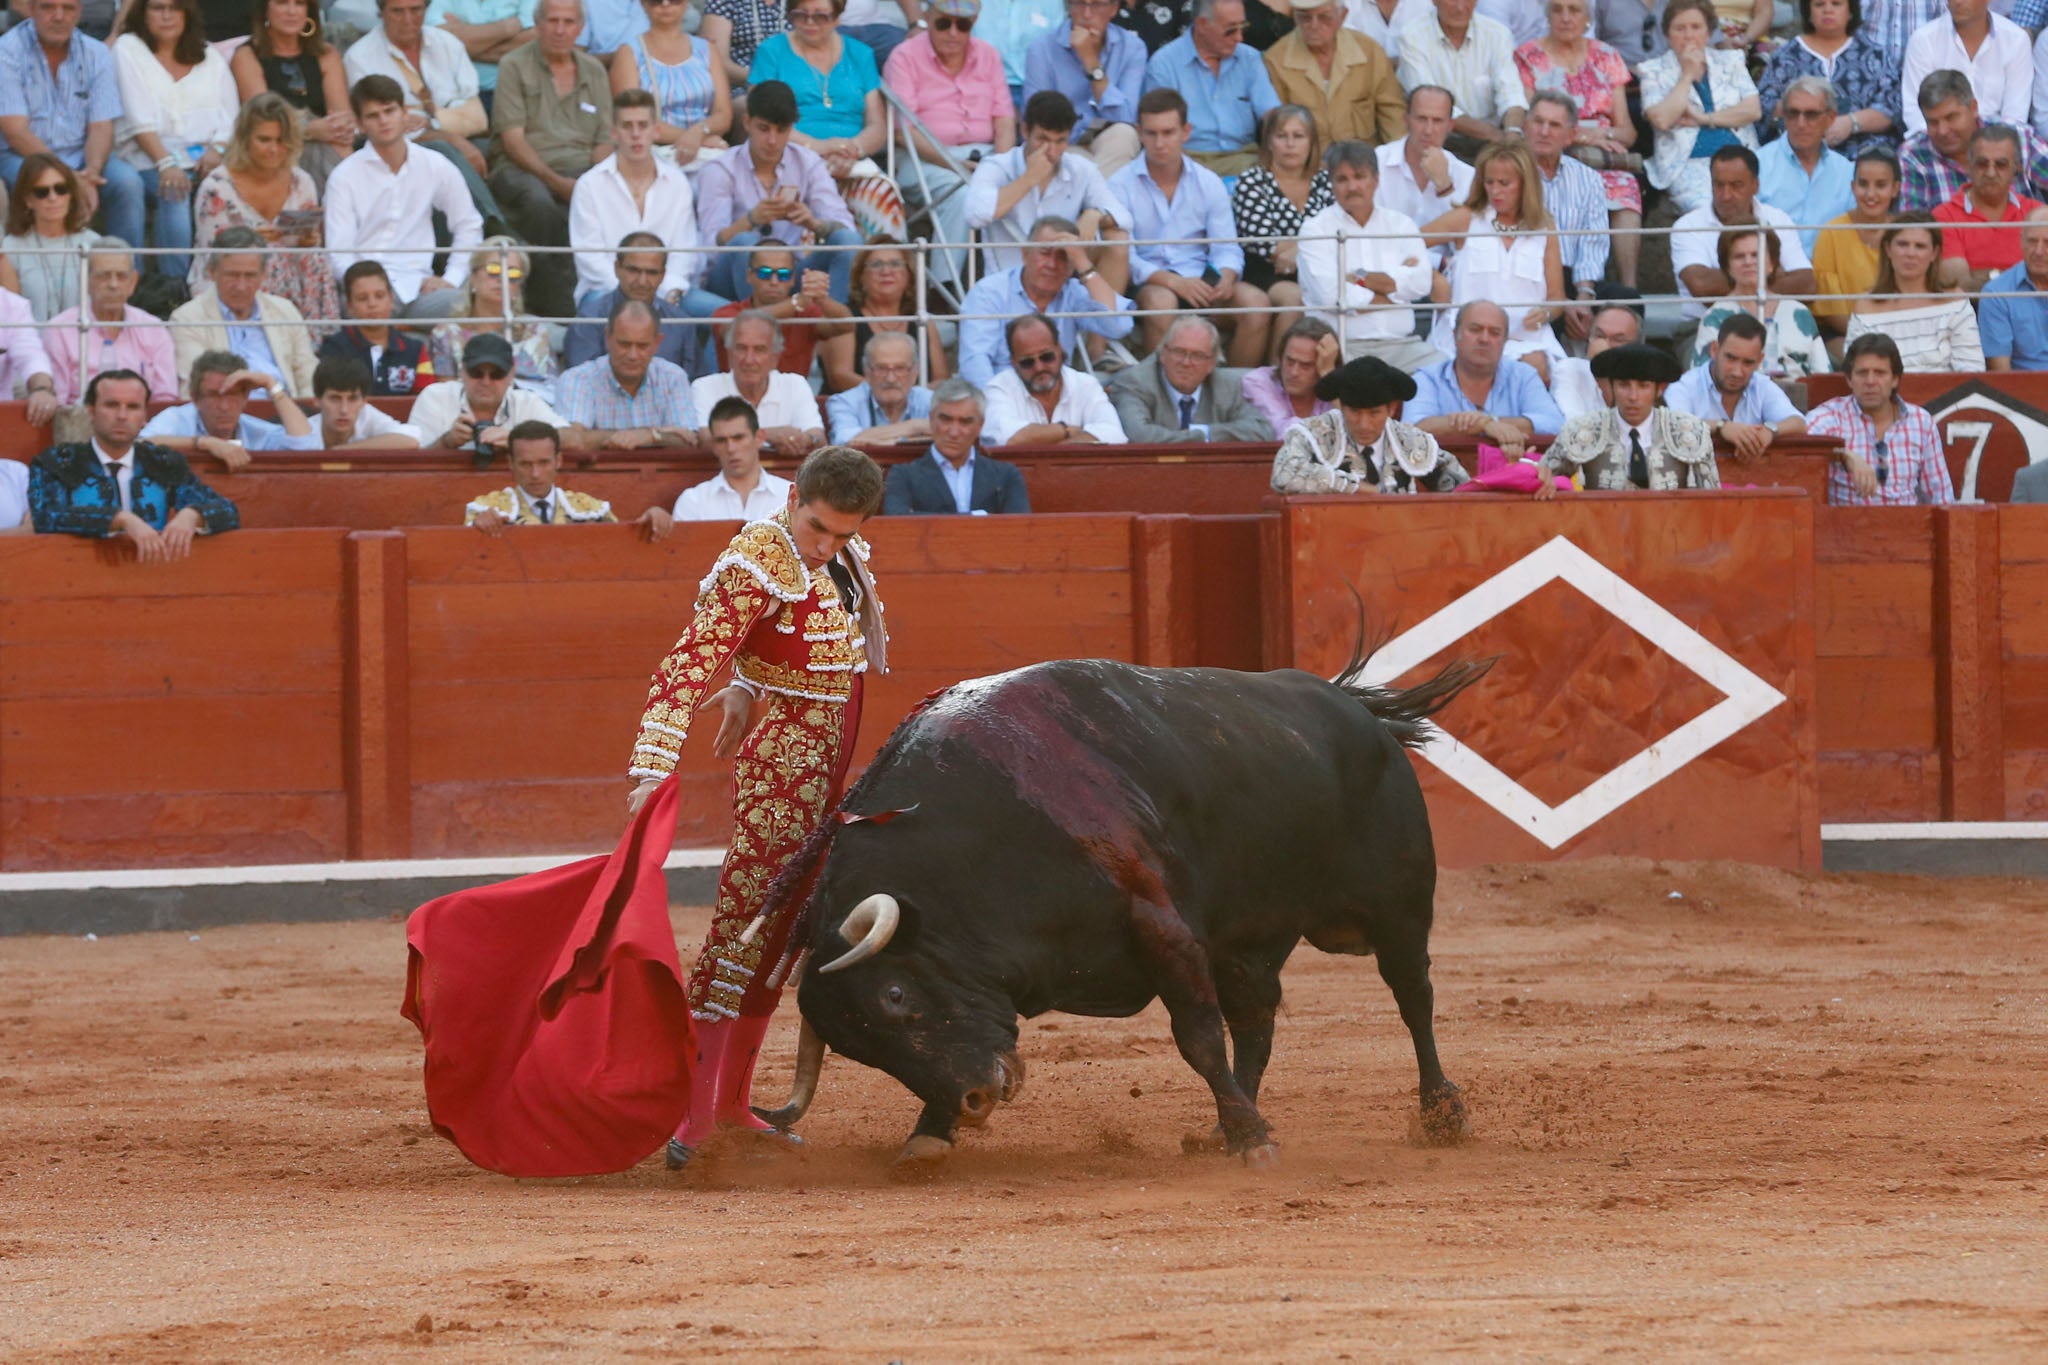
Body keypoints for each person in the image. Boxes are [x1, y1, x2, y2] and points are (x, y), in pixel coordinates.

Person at [624, 443, 888, 1168]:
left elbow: (791, 647)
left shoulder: (834, 551)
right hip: (780, 775)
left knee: (779, 939)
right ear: (793, 494)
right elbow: (683, 663)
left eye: (843, 533)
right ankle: (693, 1114)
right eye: (818, 528)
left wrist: (747, 682)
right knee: (743, 932)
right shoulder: (759, 558)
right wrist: (652, 766)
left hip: (825, 772)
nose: (826, 545)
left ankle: (733, 1103)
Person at [1113, 87, 1271, 364]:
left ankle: (1232, 394)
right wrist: (1172, 281)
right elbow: (1124, 257)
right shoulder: (1119, 184)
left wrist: (1226, 276)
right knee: (1161, 302)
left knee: (1257, 305)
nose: (1160, 142)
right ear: (1139, 133)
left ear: (1186, 131)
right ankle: (1159, 395)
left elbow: (1227, 247)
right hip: (1149, 283)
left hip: (1201, 279)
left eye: (1168, 132)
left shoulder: (1208, 181)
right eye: (1151, 133)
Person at [487, 0, 613, 320]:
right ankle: (553, 303)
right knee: (539, 202)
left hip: (581, 167)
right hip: (522, 166)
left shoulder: (594, 70)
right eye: (552, 21)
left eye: (568, 22)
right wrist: (557, 182)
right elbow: (513, 141)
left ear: (580, 28)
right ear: (537, 24)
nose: (560, 30)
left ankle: (598, 296)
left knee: (611, 195)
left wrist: (591, 181)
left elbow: (604, 139)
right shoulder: (514, 64)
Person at [326, 74, 487, 319]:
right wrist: (367, 290)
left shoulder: (434, 164)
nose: (383, 121)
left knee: (470, 305)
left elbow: (469, 224)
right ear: (359, 124)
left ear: (404, 113)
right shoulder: (344, 176)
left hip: (417, 289)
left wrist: (451, 279)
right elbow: (339, 253)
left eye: (389, 111)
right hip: (365, 295)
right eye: (373, 115)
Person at [27, 367, 237, 555]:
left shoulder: (162, 462)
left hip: (153, 577)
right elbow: (46, 516)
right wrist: (120, 520)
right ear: (90, 411)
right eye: (111, 405)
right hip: (77, 577)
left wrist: (193, 515)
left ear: (145, 416)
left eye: (133, 407)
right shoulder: (56, 462)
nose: (122, 415)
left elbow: (228, 511)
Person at [696, 80, 864, 302]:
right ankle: (759, 328)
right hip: (734, 279)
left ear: (792, 128)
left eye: (781, 130)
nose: (772, 140)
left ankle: (828, 329)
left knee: (846, 240)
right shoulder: (720, 169)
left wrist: (814, 224)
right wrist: (750, 220)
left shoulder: (807, 162)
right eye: (764, 129)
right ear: (747, 123)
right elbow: (710, 250)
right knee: (745, 243)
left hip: (789, 274)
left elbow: (846, 229)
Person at [885, 0, 1016, 285]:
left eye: (963, 24)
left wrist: (1001, 166)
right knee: (963, 194)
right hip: (924, 159)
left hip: (986, 155)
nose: (953, 33)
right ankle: (943, 290)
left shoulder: (989, 55)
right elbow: (901, 131)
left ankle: (1013, 287)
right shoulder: (904, 57)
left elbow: (1004, 120)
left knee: (1021, 186)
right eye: (944, 23)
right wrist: (956, 164)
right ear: (927, 17)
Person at [0, 0, 144, 254]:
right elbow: (16, 132)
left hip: (81, 158)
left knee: (128, 183)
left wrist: (91, 172)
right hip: (23, 156)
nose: (59, 16)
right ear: (32, 10)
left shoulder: (96, 52)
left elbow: (101, 126)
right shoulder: (6, 52)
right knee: (46, 184)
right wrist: (69, 178)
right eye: (48, 7)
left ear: (79, 11)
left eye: (68, 8)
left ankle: (128, 275)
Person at [189, 93, 341, 331]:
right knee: (269, 258)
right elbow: (214, 255)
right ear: (245, 139)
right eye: (264, 140)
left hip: (290, 275)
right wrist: (256, 241)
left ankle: (316, 339)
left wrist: (307, 240)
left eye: (281, 141)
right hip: (232, 277)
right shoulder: (216, 188)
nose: (274, 149)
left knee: (316, 258)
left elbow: (305, 243)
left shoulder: (302, 182)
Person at [109, 0, 235, 280]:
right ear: (143, 12)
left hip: (205, 160)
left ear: (187, 13)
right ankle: (168, 290)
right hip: (146, 158)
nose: (167, 16)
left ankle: (210, 287)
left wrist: (219, 149)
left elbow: (231, 116)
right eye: (157, 8)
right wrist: (166, 163)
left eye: (175, 8)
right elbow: (137, 118)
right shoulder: (128, 49)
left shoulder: (208, 54)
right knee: (175, 192)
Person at [344, 0, 502, 220]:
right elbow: (383, 127)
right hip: (400, 151)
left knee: (503, 152)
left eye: (415, 10)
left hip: (467, 139)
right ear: (382, 12)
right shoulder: (360, 57)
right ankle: (497, 229)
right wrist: (452, 134)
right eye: (398, 11)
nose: (408, 20)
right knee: (444, 151)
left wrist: (430, 121)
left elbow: (477, 118)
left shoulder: (448, 44)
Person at [1423, 139, 1566, 379]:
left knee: (1536, 368)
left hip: (1524, 339)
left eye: (1504, 183)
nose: (1495, 191)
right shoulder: (1466, 218)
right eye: (1489, 182)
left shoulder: (1545, 229)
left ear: (1525, 185)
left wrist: (1547, 313)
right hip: (1466, 339)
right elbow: (1405, 245)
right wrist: (1434, 275)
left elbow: (1557, 298)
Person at [965, 90, 1131, 287]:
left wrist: (1096, 215)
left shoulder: (1081, 169)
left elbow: (1125, 218)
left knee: (1117, 238)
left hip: (1062, 281)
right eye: (1043, 139)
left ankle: (1108, 318)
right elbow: (975, 214)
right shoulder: (996, 166)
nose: (1051, 151)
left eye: (1060, 141)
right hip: (1009, 284)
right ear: (1025, 131)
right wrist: (1029, 179)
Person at [1296, 140, 1438, 367]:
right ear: (1332, 184)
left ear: (1376, 180)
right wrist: (1393, 292)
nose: (1352, 187)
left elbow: (1421, 282)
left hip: (1404, 346)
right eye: (1342, 179)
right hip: (1343, 346)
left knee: (1444, 372)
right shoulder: (1315, 229)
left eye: (1359, 176)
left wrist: (1357, 275)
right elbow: (1330, 295)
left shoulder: (1401, 225)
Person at [956, 213, 1134, 385]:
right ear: (1026, 254)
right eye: (1045, 253)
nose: (1052, 264)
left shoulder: (1072, 291)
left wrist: (1083, 264)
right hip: (1003, 393)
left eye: (1063, 257)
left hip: (1056, 394)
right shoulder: (989, 292)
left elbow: (1117, 326)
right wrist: (997, 407)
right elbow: (974, 364)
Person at [1270, 352, 1467, 494]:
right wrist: (1353, 488)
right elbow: (1283, 475)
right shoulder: (1314, 434)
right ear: (1341, 406)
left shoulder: (1410, 440)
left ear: (1391, 408)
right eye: (1354, 412)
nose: (1364, 424)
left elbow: (1464, 489)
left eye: (1374, 413)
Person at [1539, 342, 1718, 493]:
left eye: (1643, 386)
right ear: (1611, 387)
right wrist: (1544, 481)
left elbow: (1711, 502)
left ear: (1660, 389)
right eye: (1624, 385)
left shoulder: (1690, 431)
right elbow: (1540, 479)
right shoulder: (1581, 430)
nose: (1633, 396)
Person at [1638, 0, 1761, 214]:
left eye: (1696, 27)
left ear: (1708, 33)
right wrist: (1686, 75)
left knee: (1763, 207)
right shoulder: (1652, 70)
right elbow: (1662, 119)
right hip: (1687, 164)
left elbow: (1752, 110)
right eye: (1679, 28)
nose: (1688, 35)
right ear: (1667, 35)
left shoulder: (1731, 60)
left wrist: (1703, 118)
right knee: (1711, 210)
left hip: (1742, 158)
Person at [1671, 146, 1817, 324]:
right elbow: (1703, 286)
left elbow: (1806, 285)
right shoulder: (1687, 226)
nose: (1726, 195)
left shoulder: (1778, 218)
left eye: (1736, 185)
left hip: (1773, 322)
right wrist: (1772, 275)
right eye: (1719, 185)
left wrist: (1738, 283)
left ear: (1755, 186)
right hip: (1703, 325)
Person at [1806, 330, 1953, 505]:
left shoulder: (1921, 422)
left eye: (1880, 373)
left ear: (1895, 380)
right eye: (1862, 373)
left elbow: (1941, 498)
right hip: (1847, 529)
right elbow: (1795, 448)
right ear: (1849, 380)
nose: (1870, 381)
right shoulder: (1831, 417)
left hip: (1908, 528)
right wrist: (1842, 455)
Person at [170, 226, 318, 399]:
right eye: (232, 275)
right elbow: (195, 390)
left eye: (250, 276)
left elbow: (308, 377)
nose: (241, 286)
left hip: (285, 414)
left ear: (263, 275)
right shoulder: (187, 319)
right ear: (212, 272)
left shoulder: (285, 311)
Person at [1141, 0, 1280, 176]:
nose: (1239, 37)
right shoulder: (1164, 64)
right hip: (1187, 163)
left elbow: (1272, 114)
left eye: (1242, 27)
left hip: (1244, 159)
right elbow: (1160, 129)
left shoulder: (1249, 59)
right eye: (1230, 30)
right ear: (1202, 25)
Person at [748, 0, 886, 175]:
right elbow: (760, 117)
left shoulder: (860, 53)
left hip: (852, 162)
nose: (809, 22)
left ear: (837, 18)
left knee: (880, 197)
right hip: (788, 159)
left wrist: (852, 150)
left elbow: (877, 125)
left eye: (820, 16)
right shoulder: (771, 51)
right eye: (800, 15)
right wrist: (818, 147)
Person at [1405, 301, 1566, 450]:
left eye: (1494, 333)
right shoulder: (1427, 377)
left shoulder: (1524, 375)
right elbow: (1411, 429)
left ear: (1504, 341)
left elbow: (1554, 424)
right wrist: (1484, 425)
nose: (1484, 339)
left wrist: (1489, 423)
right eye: (1475, 329)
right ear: (1455, 335)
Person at [466, 418, 673, 533]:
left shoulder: (590, 509)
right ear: (511, 463)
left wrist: (651, 518)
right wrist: (478, 529)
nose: (535, 474)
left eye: (544, 463)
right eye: (525, 464)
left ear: (559, 461)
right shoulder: (486, 510)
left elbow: (621, 544)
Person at [232, 0, 357, 190]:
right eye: (282, 3)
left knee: (342, 146)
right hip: (275, 146)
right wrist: (310, 129)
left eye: (299, 4)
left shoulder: (327, 54)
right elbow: (262, 120)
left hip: (325, 141)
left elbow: (342, 119)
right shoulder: (247, 56)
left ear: (309, 11)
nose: (292, 11)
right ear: (266, 10)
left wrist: (336, 128)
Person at [1231, 103, 1332, 338]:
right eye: (1281, 136)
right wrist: (1310, 247)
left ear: (1311, 142)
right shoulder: (1252, 181)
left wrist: (1296, 251)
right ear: (1269, 142)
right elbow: (1268, 246)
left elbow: (1335, 235)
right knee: (1295, 298)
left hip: (1315, 271)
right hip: (1264, 272)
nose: (1290, 144)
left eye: (1298, 136)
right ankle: (1280, 370)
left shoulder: (1325, 180)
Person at [1513, 94, 1617, 318]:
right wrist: (1559, 300)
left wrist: (1583, 298)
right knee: (1554, 316)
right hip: (1524, 278)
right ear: (1525, 127)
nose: (1544, 131)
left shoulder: (1588, 179)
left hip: (1575, 279)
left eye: (1554, 125)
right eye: (1538, 122)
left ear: (1570, 136)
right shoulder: (1507, 173)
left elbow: (1593, 243)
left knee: (1625, 302)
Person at [1754, 0, 1898, 160]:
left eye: (1836, 4)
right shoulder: (1785, 56)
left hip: (1862, 155)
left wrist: (1850, 123)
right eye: (1819, 4)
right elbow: (1765, 104)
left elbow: (1891, 108)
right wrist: (1808, 117)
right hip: (1797, 153)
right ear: (1808, 12)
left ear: (1851, 11)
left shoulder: (1875, 55)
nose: (1827, 10)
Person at [555, 297, 706, 448]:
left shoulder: (673, 377)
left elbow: (689, 440)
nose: (633, 355)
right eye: (624, 344)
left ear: (657, 343)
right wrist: (652, 434)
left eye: (642, 346)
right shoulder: (577, 379)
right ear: (607, 338)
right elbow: (571, 440)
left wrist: (650, 435)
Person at [1846, 213, 1986, 369]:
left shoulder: (1955, 301)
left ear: (1934, 253)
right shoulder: (1866, 306)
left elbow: (1972, 371)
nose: (1910, 254)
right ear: (1887, 249)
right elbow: (1856, 372)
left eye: (1920, 246)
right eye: (1903, 244)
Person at [1022, 0, 1145, 175]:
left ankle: (1093, 200)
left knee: (1124, 135)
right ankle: (1097, 201)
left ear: (1114, 8)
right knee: (1076, 162)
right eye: (1080, 3)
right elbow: (1037, 118)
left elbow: (1125, 118)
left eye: (1097, 4)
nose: (1087, 14)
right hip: (1062, 142)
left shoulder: (1132, 48)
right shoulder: (1042, 49)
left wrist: (1090, 61)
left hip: (1108, 141)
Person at [1663, 311, 1809, 459]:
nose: (1737, 372)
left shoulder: (1762, 385)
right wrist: (1721, 427)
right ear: (1714, 350)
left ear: (1760, 360)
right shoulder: (1684, 386)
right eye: (1731, 358)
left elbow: (1798, 423)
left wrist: (1770, 431)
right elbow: (1671, 426)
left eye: (1748, 362)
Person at [1107, 315, 1275, 442]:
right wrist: (1199, 438)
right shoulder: (1135, 382)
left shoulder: (1229, 385)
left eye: (1197, 355)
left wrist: (1204, 432)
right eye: (1179, 352)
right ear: (1163, 354)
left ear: (1212, 363)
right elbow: (1138, 435)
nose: (1186, 363)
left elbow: (1261, 430)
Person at [44, 239, 174, 404]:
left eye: (121, 276)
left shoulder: (153, 329)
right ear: (85, 279)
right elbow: (58, 402)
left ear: (133, 282)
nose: (113, 284)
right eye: (103, 276)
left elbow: (165, 397)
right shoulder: (60, 330)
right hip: (80, 424)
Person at [140, 349, 323, 465]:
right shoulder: (176, 418)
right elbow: (139, 446)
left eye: (233, 395)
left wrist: (270, 384)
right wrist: (203, 443)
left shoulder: (256, 430)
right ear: (195, 398)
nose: (225, 406)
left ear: (245, 398)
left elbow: (307, 446)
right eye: (214, 396)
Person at [1898, 70, 2048, 211]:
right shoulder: (1913, 155)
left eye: (1951, 117)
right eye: (1933, 122)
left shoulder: (2017, 136)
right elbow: (1913, 228)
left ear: (1974, 108)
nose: (1942, 130)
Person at [429, 238, 561, 398]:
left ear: (519, 285)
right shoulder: (446, 333)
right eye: (494, 269)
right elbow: (446, 394)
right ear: (473, 277)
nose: (502, 279)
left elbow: (551, 389)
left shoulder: (535, 331)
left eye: (513, 273)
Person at [1263, 0, 1402, 148]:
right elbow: (1276, 131)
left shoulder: (1369, 52)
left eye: (1324, 17)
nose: (1314, 25)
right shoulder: (1276, 60)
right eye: (1305, 18)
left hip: (1363, 164)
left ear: (1343, 16)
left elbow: (1393, 118)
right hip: (1307, 166)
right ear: (1295, 18)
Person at [1694, 229, 1831, 380]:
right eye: (1739, 256)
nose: (1748, 262)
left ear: (1772, 263)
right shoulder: (1715, 317)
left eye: (1756, 255)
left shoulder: (1799, 312)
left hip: (1799, 400)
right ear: (1727, 267)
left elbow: (1823, 376)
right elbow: (1702, 379)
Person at [1394, 0, 1526, 154]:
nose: (1460, 7)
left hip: (1495, 142)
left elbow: (1511, 93)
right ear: (1434, 1)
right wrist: (1494, 135)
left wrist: (1512, 133)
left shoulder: (1497, 34)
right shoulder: (1412, 36)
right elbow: (1431, 105)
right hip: (1439, 141)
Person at [611, 0, 732, 166]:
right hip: (653, 152)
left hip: (706, 148)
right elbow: (632, 117)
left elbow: (723, 113)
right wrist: (692, 138)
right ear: (643, 4)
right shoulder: (629, 53)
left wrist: (699, 132)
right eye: (656, 1)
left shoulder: (707, 49)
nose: (665, 4)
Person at [881, 376, 1030, 511]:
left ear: (980, 425)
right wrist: (975, 517)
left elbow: (1021, 530)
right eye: (946, 419)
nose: (954, 432)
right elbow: (899, 524)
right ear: (932, 419)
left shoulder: (1006, 475)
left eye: (965, 422)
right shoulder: (903, 476)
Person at [412, 332, 572, 456]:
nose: (486, 381)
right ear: (462, 371)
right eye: (476, 372)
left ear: (511, 375)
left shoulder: (526, 401)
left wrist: (517, 440)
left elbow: (571, 438)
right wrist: (446, 442)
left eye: (497, 374)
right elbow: (410, 460)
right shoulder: (435, 397)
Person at [690, 309, 827, 453]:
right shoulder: (705, 386)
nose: (749, 360)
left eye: (759, 350)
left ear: (775, 357)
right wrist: (767, 435)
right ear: (729, 353)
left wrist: (805, 439)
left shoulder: (795, 384)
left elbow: (818, 437)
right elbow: (706, 439)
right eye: (741, 348)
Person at [822, 235, 950, 390]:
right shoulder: (845, 316)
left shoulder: (922, 319)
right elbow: (840, 377)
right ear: (861, 276)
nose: (886, 271)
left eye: (895, 264)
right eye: (876, 264)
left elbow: (942, 379)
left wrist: (907, 398)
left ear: (909, 274)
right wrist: (893, 394)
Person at [709, 240, 851, 376]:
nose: (774, 281)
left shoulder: (805, 312)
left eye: (784, 274)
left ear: (793, 279)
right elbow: (742, 325)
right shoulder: (726, 313)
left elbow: (846, 326)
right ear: (749, 276)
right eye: (765, 273)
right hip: (737, 398)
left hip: (791, 399)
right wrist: (797, 303)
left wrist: (821, 298)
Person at [983, 311, 1126, 445]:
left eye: (1047, 357)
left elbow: (1114, 434)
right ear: (1014, 362)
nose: (1039, 367)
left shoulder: (1085, 384)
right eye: (1027, 362)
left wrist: (1059, 447)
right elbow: (1009, 438)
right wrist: (1066, 430)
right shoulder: (998, 388)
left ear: (1059, 350)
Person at [1931, 123, 2044, 290]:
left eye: (2001, 164)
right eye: (1982, 164)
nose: (1991, 173)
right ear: (1969, 166)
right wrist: (2025, 277)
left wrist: (1986, 275)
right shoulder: (1944, 216)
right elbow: (1960, 286)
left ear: (2017, 168)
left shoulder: (2037, 213)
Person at [1375, 86, 1473, 272]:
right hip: (1387, 273)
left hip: (1448, 279)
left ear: (1450, 126)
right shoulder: (1377, 163)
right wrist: (1437, 262)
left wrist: (1445, 187)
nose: (1428, 130)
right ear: (1406, 120)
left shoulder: (1467, 176)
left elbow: (1467, 247)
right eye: (1421, 119)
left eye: (1437, 121)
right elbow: (1373, 240)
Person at [566, 231, 698, 369]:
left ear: (663, 275)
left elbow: (694, 383)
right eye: (633, 270)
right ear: (617, 268)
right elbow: (580, 381)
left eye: (651, 272)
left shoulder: (681, 322)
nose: (642, 281)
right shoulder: (589, 320)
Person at [1900, 0, 2030, 136]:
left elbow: (2015, 117)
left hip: (1996, 147)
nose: (1957, 2)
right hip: (1938, 142)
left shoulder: (2016, 40)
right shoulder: (1923, 40)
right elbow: (1914, 112)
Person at [1756, 77, 1855, 256]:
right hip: (1773, 274)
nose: (1801, 123)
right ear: (1783, 116)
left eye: (1811, 115)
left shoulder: (1847, 172)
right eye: (1793, 113)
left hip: (1829, 276)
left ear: (1830, 118)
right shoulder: (1758, 165)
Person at [2, 155, 102, 321]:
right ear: (28, 200)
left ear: (70, 195)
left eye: (61, 189)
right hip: (31, 343)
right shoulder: (11, 247)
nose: (53, 198)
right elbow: (11, 317)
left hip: (83, 342)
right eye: (42, 192)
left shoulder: (93, 243)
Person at [1813, 148, 1900, 334]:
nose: (1870, 194)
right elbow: (1831, 310)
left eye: (1881, 185)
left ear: (1895, 189)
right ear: (1853, 187)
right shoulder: (1832, 233)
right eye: (1863, 184)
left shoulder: (1904, 233)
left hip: (1899, 332)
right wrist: (1866, 338)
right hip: (1844, 333)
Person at [319, 260, 438, 394]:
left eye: (379, 296)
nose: (372, 304)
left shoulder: (416, 350)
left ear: (391, 299)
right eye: (362, 298)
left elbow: (427, 399)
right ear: (349, 306)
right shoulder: (333, 348)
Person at [673, 394, 795, 519]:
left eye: (738, 438)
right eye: (721, 440)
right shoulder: (692, 502)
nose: (731, 449)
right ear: (714, 445)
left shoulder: (789, 497)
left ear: (759, 438)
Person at [825, 330, 932, 442]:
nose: (891, 379)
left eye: (900, 368)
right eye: (881, 368)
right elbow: (846, 441)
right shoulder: (844, 402)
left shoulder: (930, 400)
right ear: (866, 372)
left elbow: (945, 437)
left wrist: (879, 440)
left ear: (915, 372)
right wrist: (914, 427)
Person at [1242, 314, 1336, 435]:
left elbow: (1352, 430)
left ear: (1322, 366)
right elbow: (1284, 430)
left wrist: (1330, 376)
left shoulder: (1334, 389)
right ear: (1281, 357)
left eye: (1305, 365)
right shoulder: (1258, 381)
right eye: (1290, 361)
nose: (1294, 372)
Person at [1981, 204, 2048, 368]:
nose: (2039, 251)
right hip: (2024, 390)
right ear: (2021, 241)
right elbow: (2001, 374)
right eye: (2032, 241)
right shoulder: (1996, 293)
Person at [1551, 300, 1643, 417]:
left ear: (1637, 347)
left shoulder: (1646, 380)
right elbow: (1572, 424)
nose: (1605, 345)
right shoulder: (1570, 370)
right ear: (1590, 337)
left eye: (1618, 339)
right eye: (1599, 336)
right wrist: (1601, 371)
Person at [306, 355, 423, 447]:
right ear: (317, 400)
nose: (344, 410)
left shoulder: (367, 415)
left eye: (352, 399)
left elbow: (411, 439)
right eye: (335, 399)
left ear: (363, 401)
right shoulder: (306, 428)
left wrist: (341, 451)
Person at [700, 0, 786, 103]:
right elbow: (716, 61)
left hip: (797, 81)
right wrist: (763, 79)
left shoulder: (798, 4)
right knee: (765, 107)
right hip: (740, 85)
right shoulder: (724, 2)